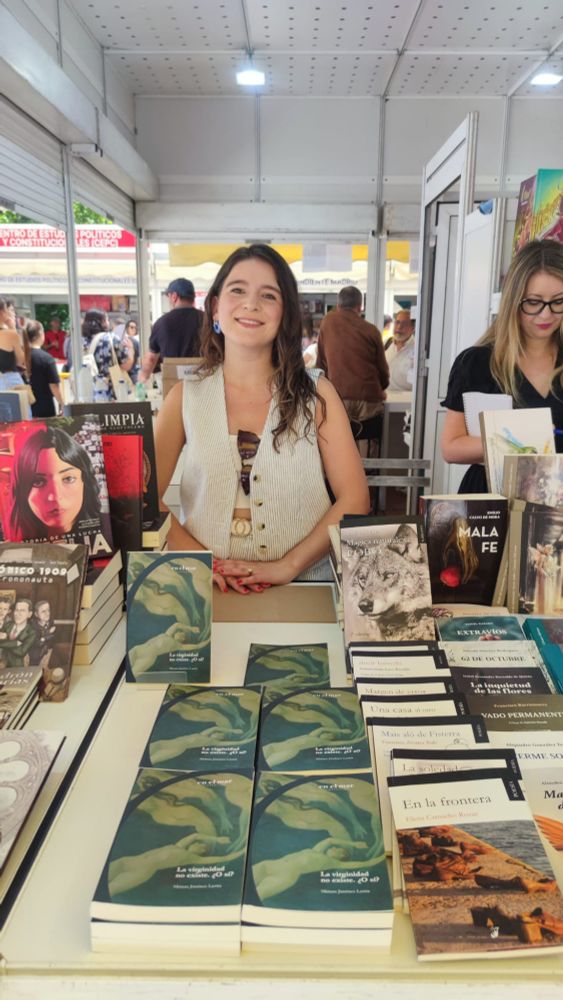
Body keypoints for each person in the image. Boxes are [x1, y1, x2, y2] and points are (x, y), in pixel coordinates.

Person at [155, 244, 369, 593]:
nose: (251, 304)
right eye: (237, 290)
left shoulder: (317, 395)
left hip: (304, 588)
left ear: (285, 313)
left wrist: (288, 566)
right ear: (215, 306)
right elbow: (143, 500)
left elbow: (355, 499)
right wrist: (197, 559)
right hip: (206, 590)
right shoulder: (184, 397)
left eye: (268, 295)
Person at [441, 239, 563, 494]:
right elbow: (451, 447)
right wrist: (521, 439)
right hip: (491, 502)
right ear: (513, 301)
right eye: (533, 302)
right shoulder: (477, 363)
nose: (546, 314)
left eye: (558, 301)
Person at [316, 285, 389, 454]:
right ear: (360, 306)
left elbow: (321, 363)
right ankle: (366, 470)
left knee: (340, 448)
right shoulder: (371, 330)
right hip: (368, 398)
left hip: (339, 396)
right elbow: (383, 371)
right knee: (367, 448)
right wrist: (382, 387)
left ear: (338, 304)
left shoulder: (328, 322)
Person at [9, 425, 101, 541]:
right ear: (21, 490)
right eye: (38, 482)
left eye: (68, 479)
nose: (55, 496)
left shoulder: (114, 529)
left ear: (85, 482)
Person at [139, 278, 203, 384]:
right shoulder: (207, 320)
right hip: (204, 383)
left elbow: (151, 359)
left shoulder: (161, 323)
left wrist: (143, 378)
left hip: (173, 385)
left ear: (174, 296)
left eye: (168, 296)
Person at [65, 309, 129, 401]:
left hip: (86, 392)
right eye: (107, 319)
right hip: (109, 392)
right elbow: (125, 365)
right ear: (102, 322)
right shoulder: (111, 338)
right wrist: (131, 349)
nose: (108, 322)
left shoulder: (78, 341)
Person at [24, 321, 63, 417]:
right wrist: (62, 404)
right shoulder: (46, 358)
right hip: (45, 407)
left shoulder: (22, 356)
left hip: (26, 407)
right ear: (41, 334)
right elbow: (54, 386)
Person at [0, 598, 37, 669]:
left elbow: (21, 651)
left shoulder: (31, 632)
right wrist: (15, 643)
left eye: (22, 610)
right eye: (16, 610)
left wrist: (5, 641)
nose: (18, 614)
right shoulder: (7, 625)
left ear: (29, 614)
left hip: (16, 668)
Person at [386, 309, 416, 391]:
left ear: (413, 328)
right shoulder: (386, 344)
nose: (399, 327)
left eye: (405, 324)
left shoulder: (416, 349)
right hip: (385, 395)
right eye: (397, 322)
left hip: (406, 397)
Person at [0, 297, 25, 390]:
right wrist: (13, 328)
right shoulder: (10, 334)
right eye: (7, 309)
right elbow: (21, 361)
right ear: (2, 312)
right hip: (9, 382)